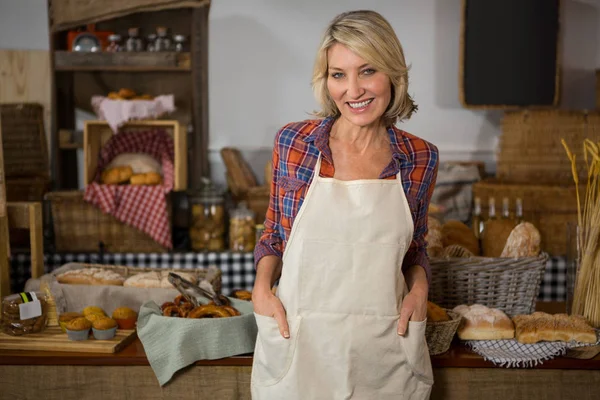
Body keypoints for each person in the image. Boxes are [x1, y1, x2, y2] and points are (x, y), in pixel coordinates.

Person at [251, 10, 438, 400]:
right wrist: (262, 288)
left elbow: (415, 248)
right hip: (300, 348)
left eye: (367, 71)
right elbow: (274, 234)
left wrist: (419, 291)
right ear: (326, 80)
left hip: (384, 354)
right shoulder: (294, 144)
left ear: (393, 74)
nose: (353, 90)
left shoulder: (420, 157)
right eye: (339, 74)